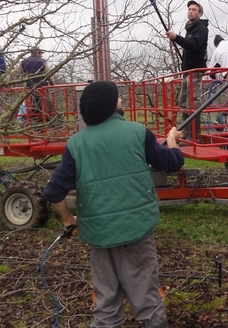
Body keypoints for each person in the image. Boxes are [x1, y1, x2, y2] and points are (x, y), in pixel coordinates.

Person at [43, 81, 184, 328]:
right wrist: (172, 140)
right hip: (136, 231)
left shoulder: (75, 144)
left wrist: (69, 220)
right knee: (147, 300)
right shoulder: (138, 133)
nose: (121, 101)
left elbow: (54, 192)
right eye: (118, 98)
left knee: (106, 304)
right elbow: (171, 163)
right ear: (111, 106)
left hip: (98, 236)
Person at [166, 0, 209, 142]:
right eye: (189, 9)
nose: (191, 11)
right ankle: (186, 132)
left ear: (200, 13)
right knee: (184, 102)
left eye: (194, 9)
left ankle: (194, 135)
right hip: (187, 71)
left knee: (193, 102)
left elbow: (194, 45)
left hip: (195, 71)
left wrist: (176, 38)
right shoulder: (190, 28)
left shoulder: (201, 28)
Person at [9, 47, 55, 124]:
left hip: (29, 88)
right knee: (45, 106)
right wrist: (52, 84)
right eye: (40, 53)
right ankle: (44, 122)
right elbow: (49, 74)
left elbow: (14, 73)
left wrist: (8, 84)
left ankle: (23, 121)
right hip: (41, 88)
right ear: (37, 53)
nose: (41, 56)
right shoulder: (42, 62)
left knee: (27, 103)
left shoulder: (24, 62)